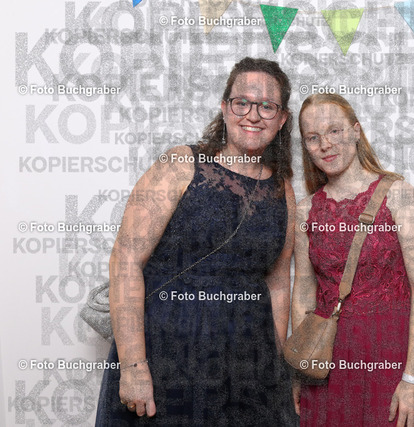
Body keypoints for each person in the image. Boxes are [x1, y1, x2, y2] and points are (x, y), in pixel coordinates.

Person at [95, 57, 297, 425]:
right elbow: (125, 261)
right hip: (165, 355)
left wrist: (277, 370)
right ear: (224, 107)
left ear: (282, 119)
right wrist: (133, 365)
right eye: (242, 102)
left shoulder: (282, 188)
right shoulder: (180, 164)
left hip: (246, 369)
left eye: (267, 106)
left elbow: (278, 283)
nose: (253, 115)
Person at [291, 93, 414, 427]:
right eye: (313, 137)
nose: (325, 144)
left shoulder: (399, 194)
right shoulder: (305, 210)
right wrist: (301, 367)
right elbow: (303, 293)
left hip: (390, 357)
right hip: (325, 362)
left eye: (334, 131)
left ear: (356, 131)